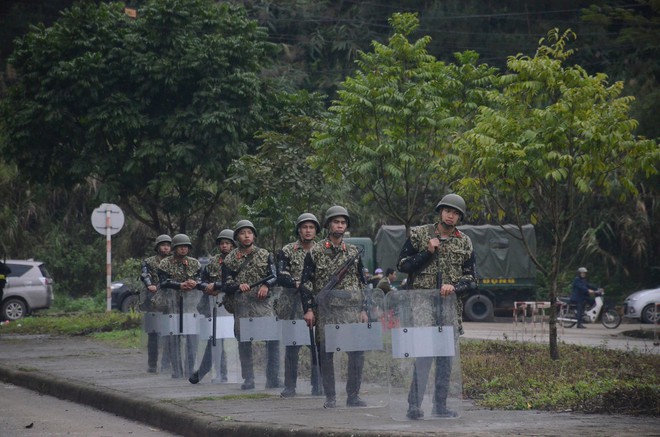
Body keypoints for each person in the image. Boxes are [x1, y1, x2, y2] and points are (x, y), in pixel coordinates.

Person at [397, 193, 476, 419]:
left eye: (456, 214)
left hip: (449, 309)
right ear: (440, 212)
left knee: (445, 359)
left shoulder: (465, 241)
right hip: (422, 307)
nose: (451, 216)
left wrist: (455, 287)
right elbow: (402, 265)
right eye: (448, 211)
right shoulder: (420, 234)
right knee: (423, 356)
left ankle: (440, 406)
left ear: (459, 217)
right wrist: (427, 252)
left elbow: (472, 279)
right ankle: (414, 405)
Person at [299, 205, 369, 409]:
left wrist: (364, 309)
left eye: (343, 222)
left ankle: (353, 395)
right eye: (336, 222)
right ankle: (330, 396)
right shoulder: (316, 251)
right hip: (327, 311)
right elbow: (306, 283)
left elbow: (362, 282)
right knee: (326, 354)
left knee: (356, 353)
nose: (340, 225)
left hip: (352, 310)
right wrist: (309, 309)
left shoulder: (354, 251)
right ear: (329, 225)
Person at [222, 220, 280, 390]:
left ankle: (273, 377)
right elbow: (226, 283)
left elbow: (274, 275)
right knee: (244, 342)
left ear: (254, 235)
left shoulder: (264, 254)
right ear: (237, 237)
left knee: (271, 340)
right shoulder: (230, 258)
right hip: (243, 306)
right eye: (242, 233)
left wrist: (266, 284)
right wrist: (238, 286)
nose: (246, 236)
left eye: (249, 232)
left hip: (264, 305)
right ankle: (248, 378)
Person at [276, 213, 323, 398]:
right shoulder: (288, 250)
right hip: (292, 306)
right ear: (299, 230)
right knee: (292, 347)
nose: (308, 230)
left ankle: (317, 384)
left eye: (311, 227)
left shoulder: (321, 250)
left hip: (316, 304)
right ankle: (290, 386)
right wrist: (297, 283)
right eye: (305, 227)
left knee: (316, 346)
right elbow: (281, 274)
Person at [189, 229, 235, 384]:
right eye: (222, 243)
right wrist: (208, 287)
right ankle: (217, 373)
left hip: (234, 307)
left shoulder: (238, 260)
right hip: (215, 308)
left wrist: (218, 287)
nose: (224, 246)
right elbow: (201, 281)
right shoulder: (212, 263)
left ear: (233, 245)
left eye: (227, 243)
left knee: (230, 341)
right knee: (215, 340)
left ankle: (214, 373)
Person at [158, 233, 205, 378]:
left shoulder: (195, 263)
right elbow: (163, 282)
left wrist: (195, 283)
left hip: (191, 307)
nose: (183, 249)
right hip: (172, 307)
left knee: (192, 340)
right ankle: (176, 370)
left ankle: (190, 369)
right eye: (180, 247)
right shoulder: (165, 264)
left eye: (186, 247)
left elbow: (201, 279)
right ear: (175, 248)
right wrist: (179, 285)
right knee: (173, 340)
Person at [139, 234, 172, 373]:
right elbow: (144, 274)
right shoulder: (149, 261)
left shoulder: (173, 262)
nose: (166, 247)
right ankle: (152, 364)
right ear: (157, 247)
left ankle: (166, 363)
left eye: (168, 245)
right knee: (153, 335)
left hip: (169, 301)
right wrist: (149, 285)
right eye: (163, 245)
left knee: (169, 334)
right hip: (152, 300)